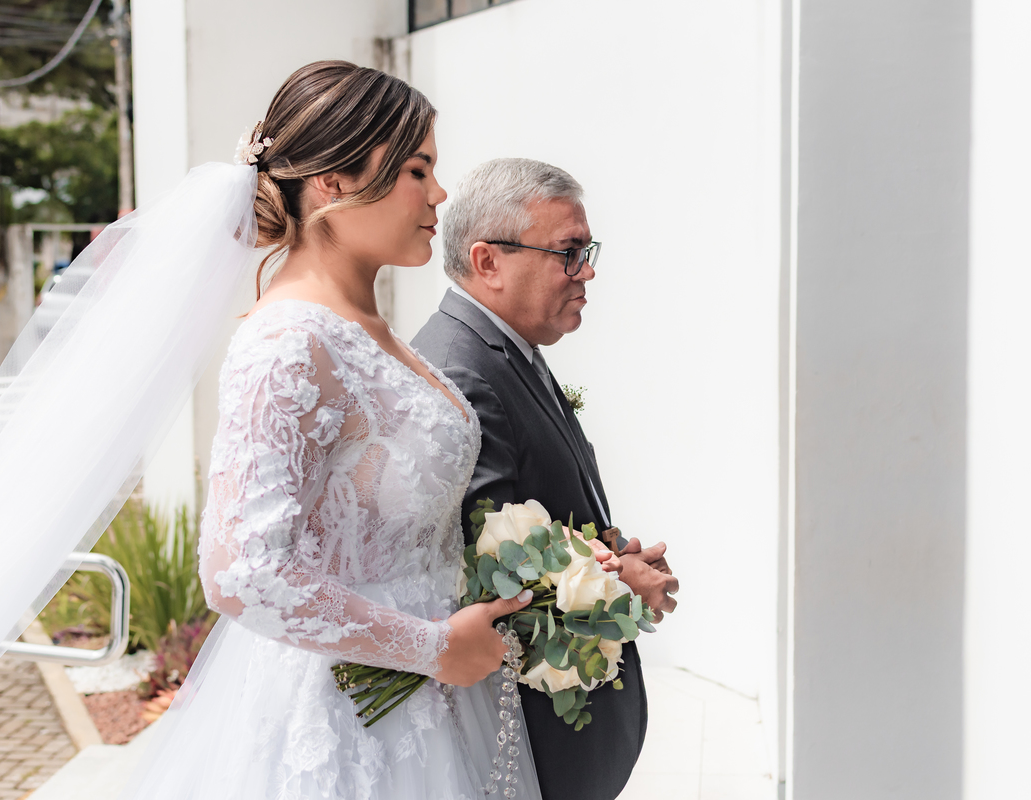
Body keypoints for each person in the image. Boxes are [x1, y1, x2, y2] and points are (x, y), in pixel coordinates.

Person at [116, 63, 543, 799]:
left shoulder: (372, 330)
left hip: (432, 704)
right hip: (346, 722)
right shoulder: (287, 341)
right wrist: (434, 648)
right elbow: (239, 570)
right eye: (418, 169)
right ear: (334, 182)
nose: (439, 194)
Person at [411, 158, 681, 800]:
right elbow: (485, 574)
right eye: (569, 252)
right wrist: (619, 588)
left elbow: (534, 519)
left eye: (587, 251)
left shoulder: (506, 347)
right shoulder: (463, 371)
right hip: (523, 736)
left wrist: (608, 555)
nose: (587, 271)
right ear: (489, 261)